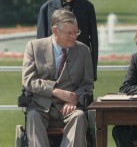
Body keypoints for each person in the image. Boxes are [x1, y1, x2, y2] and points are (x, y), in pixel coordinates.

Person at [22, 9, 94, 147]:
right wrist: (55, 91)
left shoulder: (83, 50)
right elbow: (28, 81)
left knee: (79, 117)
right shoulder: (34, 47)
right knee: (32, 117)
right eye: (69, 33)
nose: (74, 37)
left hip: (70, 108)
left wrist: (73, 99)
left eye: (76, 32)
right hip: (40, 106)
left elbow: (87, 84)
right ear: (55, 30)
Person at [37, 0, 98, 81]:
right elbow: (40, 44)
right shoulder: (46, 8)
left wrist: (92, 73)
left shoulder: (88, 7)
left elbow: (94, 41)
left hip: (80, 68)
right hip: (52, 71)